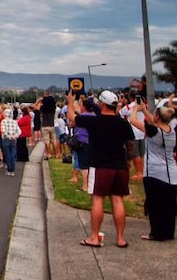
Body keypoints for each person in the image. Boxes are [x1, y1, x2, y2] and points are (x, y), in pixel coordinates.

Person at [67, 90, 134, 248]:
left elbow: (72, 118)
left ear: (102, 104)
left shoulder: (95, 122)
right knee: (117, 200)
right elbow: (130, 143)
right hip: (119, 165)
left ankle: (94, 237)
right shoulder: (123, 123)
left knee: (98, 199)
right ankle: (120, 238)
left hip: (100, 165)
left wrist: (70, 102)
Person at [128, 98, 177, 241]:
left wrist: (136, 109)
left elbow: (133, 121)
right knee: (169, 205)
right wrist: (144, 109)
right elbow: (155, 123)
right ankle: (168, 232)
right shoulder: (171, 131)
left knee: (155, 205)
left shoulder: (154, 131)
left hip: (155, 173)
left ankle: (156, 233)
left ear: (157, 116)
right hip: (172, 174)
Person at [38, 90, 58, 159]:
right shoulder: (53, 109)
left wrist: (39, 101)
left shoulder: (43, 108)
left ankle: (48, 154)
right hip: (52, 124)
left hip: (45, 125)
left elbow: (35, 108)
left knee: (47, 141)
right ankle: (57, 154)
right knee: (54, 141)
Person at [1, 106, 20, 177]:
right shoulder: (15, 122)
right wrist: (14, 136)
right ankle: (12, 170)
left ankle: (9, 169)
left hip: (6, 139)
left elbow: (3, 130)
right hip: (13, 139)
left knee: (7, 155)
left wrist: (9, 136)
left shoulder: (3, 121)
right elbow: (19, 131)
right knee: (13, 155)